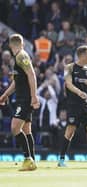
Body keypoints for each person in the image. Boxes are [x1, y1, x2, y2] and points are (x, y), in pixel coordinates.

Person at [57, 45, 87, 167]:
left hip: (85, 104)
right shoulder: (70, 67)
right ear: (82, 55)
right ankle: (61, 160)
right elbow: (68, 84)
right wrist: (79, 92)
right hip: (73, 104)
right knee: (70, 131)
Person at [0, 34, 39, 171]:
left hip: (25, 98)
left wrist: (34, 96)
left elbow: (32, 74)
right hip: (23, 97)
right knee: (26, 130)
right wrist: (5, 95)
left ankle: (28, 159)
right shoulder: (18, 57)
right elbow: (17, 82)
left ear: (11, 45)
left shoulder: (21, 56)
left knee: (14, 127)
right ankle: (32, 161)